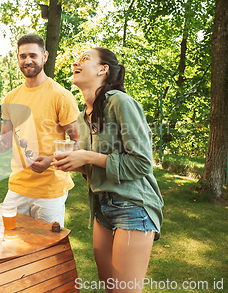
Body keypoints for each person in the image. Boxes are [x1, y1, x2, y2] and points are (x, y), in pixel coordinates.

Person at [52, 48, 164, 292]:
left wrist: (87, 156)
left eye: (85, 59)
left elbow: (142, 163)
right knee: (110, 288)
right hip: (101, 208)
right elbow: (94, 167)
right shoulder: (84, 116)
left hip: (133, 205)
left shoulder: (120, 102)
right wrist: (67, 163)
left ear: (103, 70)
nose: (75, 62)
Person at [0, 33, 79, 227]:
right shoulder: (10, 98)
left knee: (48, 249)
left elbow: (79, 142)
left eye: (33, 55)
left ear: (45, 57)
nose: (28, 60)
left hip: (50, 191)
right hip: (18, 187)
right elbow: (5, 141)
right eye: (23, 56)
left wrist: (51, 160)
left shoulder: (61, 96)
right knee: (8, 243)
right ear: (17, 58)